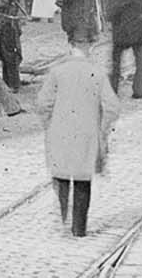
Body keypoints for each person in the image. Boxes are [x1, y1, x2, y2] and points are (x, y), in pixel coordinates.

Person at [37, 33, 120, 237]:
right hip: (87, 134)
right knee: (83, 180)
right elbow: (112, 107)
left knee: (62, 176)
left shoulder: (57, 72)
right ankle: (79, 229)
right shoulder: (97, 73)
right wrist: (102, 128)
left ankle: (63, 221)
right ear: (90, 48)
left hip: (60, 133)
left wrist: (49, 124)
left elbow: (43, 104)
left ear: (69, 45)